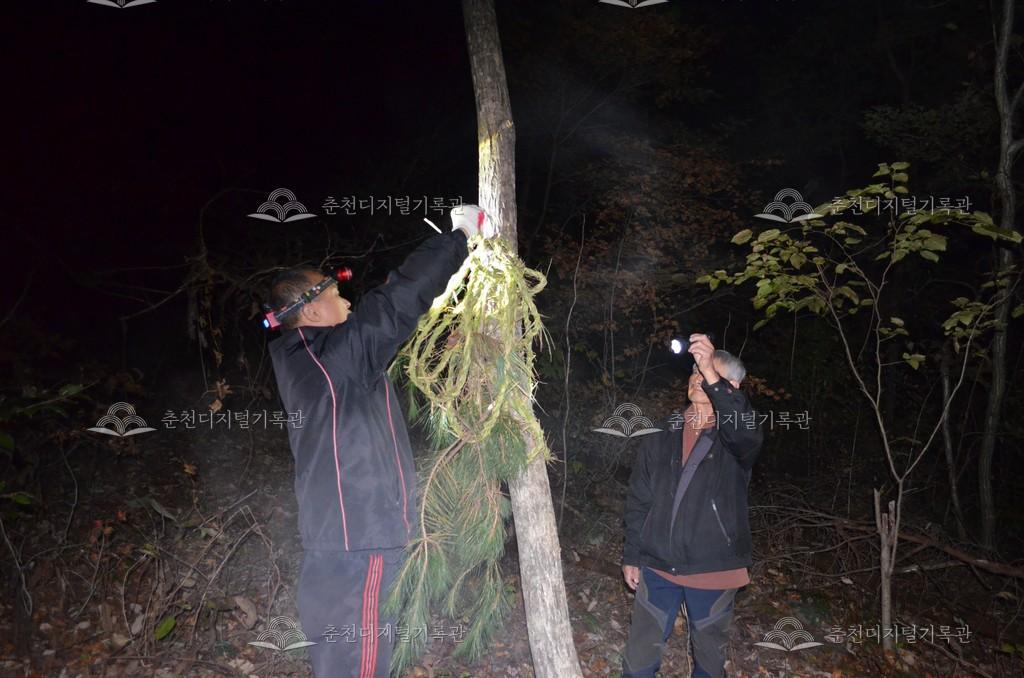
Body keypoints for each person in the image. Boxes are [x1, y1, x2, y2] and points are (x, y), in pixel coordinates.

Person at [267, 205, 496, 678]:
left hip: (338, 538)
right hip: (363, 538)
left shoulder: (313, 361)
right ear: (310, 309)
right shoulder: (336, 357)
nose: (348, 303)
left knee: (339, 658)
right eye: (337, 295)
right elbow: (394, 303)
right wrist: (458, 236)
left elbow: (396, 313)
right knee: (364, 662)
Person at [621, 334, 763, 678]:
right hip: (658, 565)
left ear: (732, 385)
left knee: (709, 663)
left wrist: (712, 376)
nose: (697, 379)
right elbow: (640, 496)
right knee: (638, 658)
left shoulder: (738, 436)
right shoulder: (663, 432)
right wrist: (632, 553)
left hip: (714, 568)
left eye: (707, 373)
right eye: (694, 373)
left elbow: (745, 431)